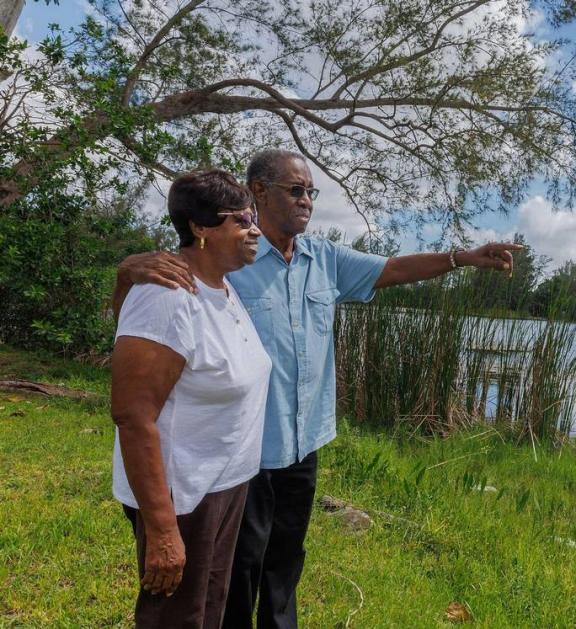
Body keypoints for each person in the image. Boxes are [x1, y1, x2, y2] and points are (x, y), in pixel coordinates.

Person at [113, 149, 522, 628]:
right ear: (259, 193)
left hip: (302, 441)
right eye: (296, 190)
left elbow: (392, 269)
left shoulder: (322, 258)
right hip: (244, 452)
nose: (307, 200)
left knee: (285, 560)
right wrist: (126, 272)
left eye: (311, 191)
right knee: (236, 570)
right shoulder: (224, 260)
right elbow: (143, 334)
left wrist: (460, 258)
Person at [111, 170, 272, 628]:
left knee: (206, 611)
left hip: (225, 484)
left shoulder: (222, 286)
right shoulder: (167, 295)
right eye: (240, 219)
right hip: (183, 493)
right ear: (200, 228)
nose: (253, 228)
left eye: (253, 217)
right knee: (176, 618)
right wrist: (163, 529)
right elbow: (133, 414)